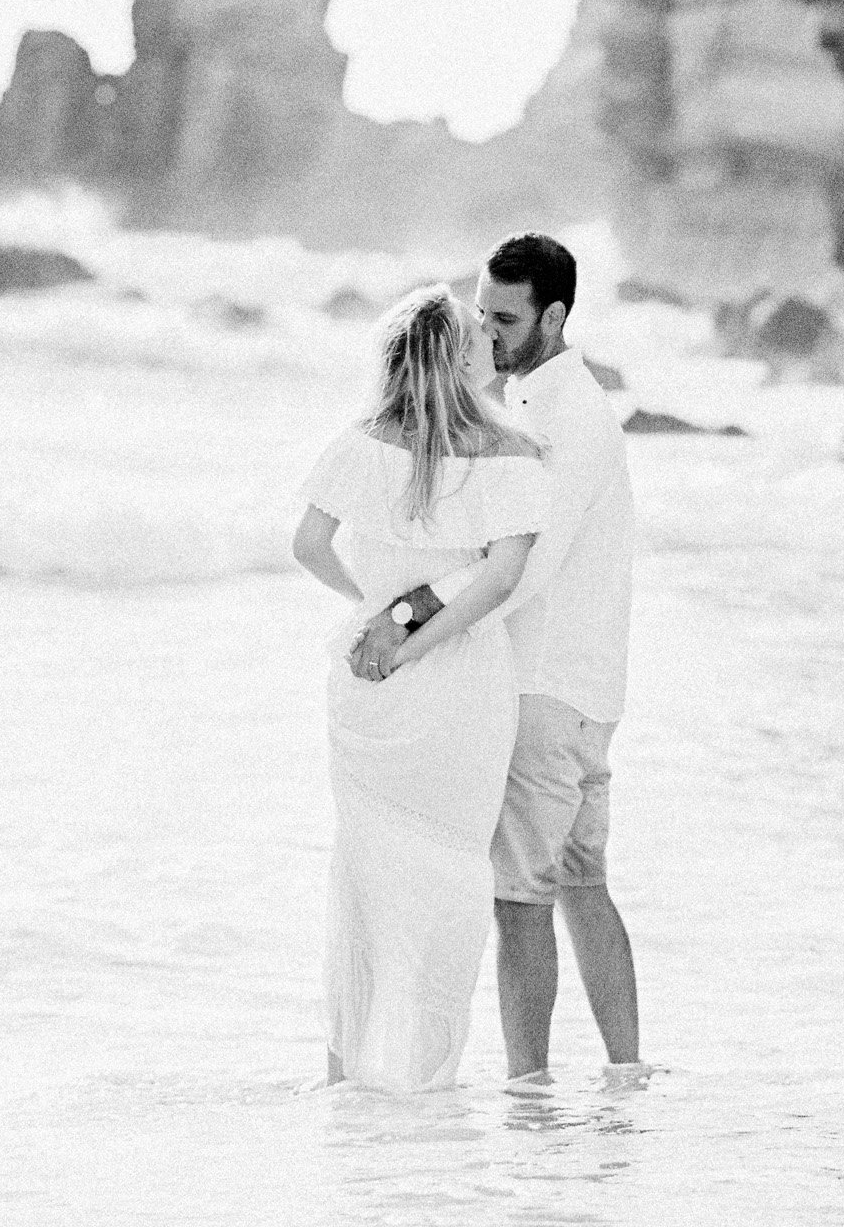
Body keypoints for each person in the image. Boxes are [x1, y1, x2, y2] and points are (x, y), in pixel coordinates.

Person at [349, 233, 640, 1078]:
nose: (489, 332)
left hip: (546, 691)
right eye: (481, 313)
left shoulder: (559, 418)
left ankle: (529, 1088)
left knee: (522, 904)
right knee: (583, 885)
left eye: (506, 319)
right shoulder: (560, 406)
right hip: (586, 692)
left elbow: (519, 569)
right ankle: (625, 1074)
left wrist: (405, 619)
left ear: (553, 316)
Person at [292, 284, 550, 1093]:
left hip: (368, 684)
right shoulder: (511, 451)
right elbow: (500, 581)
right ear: (459, 356)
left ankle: (345, 1075)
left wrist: (378, 615)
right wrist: (416, 638)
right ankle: (427, 1074)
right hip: (461, 687)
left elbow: (307, 546)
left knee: (362, 874)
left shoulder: (357, 442)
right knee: (451, 870)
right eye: (477, 333)